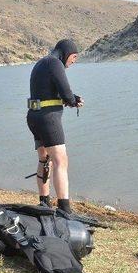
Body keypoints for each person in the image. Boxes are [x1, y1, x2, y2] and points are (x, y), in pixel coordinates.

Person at [26, 39, 83, 213]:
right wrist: (73, 101)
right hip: (48, 119)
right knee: (60, 161)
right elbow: (65, 92)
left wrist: (71, 98)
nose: (73, 61)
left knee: (44, 160)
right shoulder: (55, 63)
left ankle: (44, 203)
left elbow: (48, 91)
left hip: (34, 116)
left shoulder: (42, 63)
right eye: (74, 57)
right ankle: (65, 209)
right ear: (66, 53)